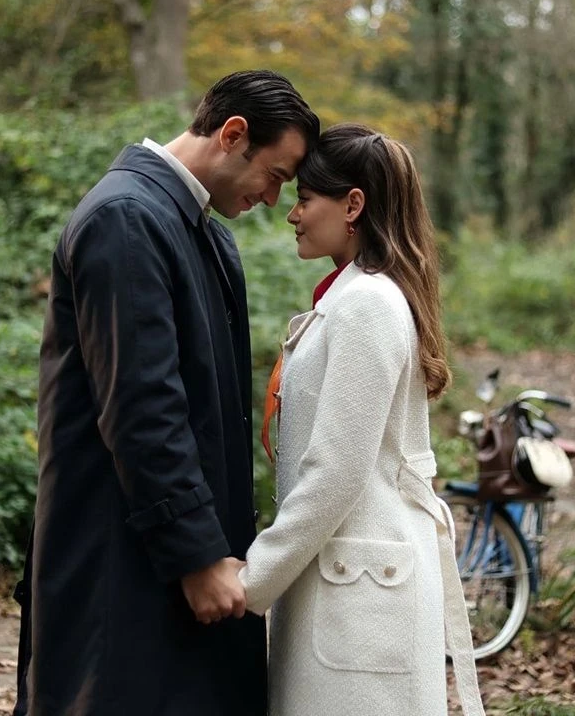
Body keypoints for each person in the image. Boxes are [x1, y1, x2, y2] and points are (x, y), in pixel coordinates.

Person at [12, 71, 319, 716]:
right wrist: (197, 556)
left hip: (170, 549)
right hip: (121, 552)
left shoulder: (202, 232)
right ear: (233, 134)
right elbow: (141, 406)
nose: (274, 199)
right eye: (275, 175)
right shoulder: (125, 219)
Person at [240, 123, 485, 716]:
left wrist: (250, 582)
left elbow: (336, 473)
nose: (292, 214)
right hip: (350, 582)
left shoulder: (368, 305)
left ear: (353, 205)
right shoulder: (354, 297)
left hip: (359, 593)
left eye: (305, 199)